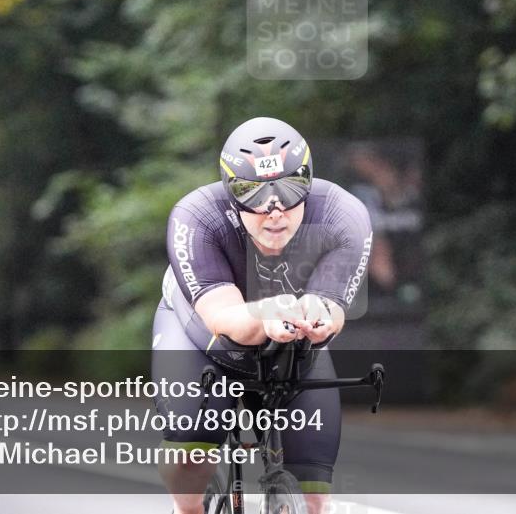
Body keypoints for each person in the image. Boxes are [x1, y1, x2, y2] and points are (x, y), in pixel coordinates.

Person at [151, 117, 373, 514]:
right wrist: (268, 314)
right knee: (191, 457)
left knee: (313, 497)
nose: (274, 211)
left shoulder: (344, 215)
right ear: (230, 193)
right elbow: (223, 320)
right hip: (202, 340)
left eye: (290, 190)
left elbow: (331, 308)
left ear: (308, 182)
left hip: (293, 346)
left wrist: (317, 316)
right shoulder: (198, 217)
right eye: (253, 195)